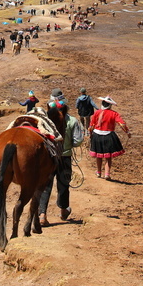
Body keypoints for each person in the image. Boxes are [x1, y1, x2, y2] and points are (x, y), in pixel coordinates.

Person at [39, 97, 84, 226]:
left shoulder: (46, 121)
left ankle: (42, 214)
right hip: (65, 156)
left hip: (49, 156)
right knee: (64, 184)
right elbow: (78, 141)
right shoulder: (72, 121)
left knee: (45, 185)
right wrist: (69, 144)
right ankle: (64, 210)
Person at [89, 96, 131, 180]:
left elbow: (91, 125)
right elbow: (122, 124)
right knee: (108, 156)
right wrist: (127, 132)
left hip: (97, 135)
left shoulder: (97, 113)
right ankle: (107, 174)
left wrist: (90, 134)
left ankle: (98, 172)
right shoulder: (114, 114)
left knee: (98, 155)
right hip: (108, 135)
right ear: (110, 106)